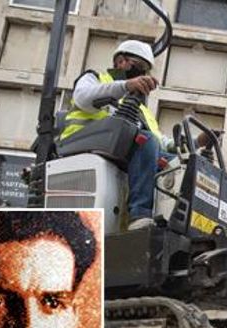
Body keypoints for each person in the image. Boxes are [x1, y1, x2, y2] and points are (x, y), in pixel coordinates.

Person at [60, 40, 173, 230]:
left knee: (175, 164)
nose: (142, 73)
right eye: (139, 66)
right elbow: (83, 98)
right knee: (145, 141)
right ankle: (139, 213)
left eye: (146, 70)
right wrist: (126, 85)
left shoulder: (142, 109)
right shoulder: (95, 78)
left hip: (116, 144)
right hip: (83, 140)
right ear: (120, 61)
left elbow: (161, 141)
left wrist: (193, 144)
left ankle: (170, 223)